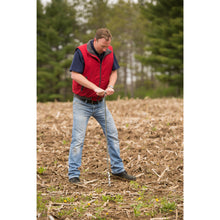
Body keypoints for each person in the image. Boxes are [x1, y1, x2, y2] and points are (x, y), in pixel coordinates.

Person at [68, 28, 136, 183]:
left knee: (112, 135)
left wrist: (111, 86)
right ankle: (73, 174)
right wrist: (94, 87)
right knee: (78, 139)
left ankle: (118, 170)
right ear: (95, 40)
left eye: (107, 46)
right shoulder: (81, 52)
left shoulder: (109, 52)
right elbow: (74, 74)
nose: (105, 49)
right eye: (102, 46)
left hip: (100, 104)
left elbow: (114, 71)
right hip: (82, 103)